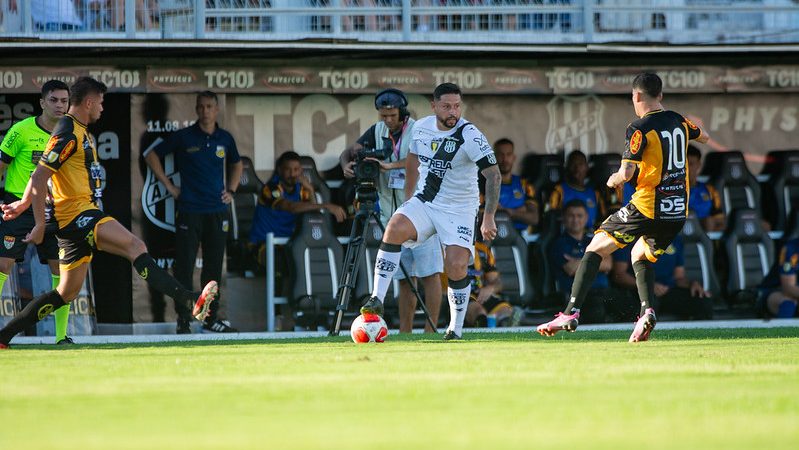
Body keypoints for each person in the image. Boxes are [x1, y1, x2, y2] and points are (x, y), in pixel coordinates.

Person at [0, 77, 217, 349]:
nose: (102, 108)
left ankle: (3, 336)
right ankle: (189, 300)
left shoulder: (78, 130)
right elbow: (42, 174)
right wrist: (40, 223)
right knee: (135, 245)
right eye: (101, 102)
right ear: (89, 102)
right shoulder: (67, 131)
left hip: (73, 224)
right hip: (79, 216)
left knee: (65, 293)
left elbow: (40, 173)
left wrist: (21, 204)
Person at [536, 72, 710, 342]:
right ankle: (646, 312)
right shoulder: (679, 120)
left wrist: (613, 179)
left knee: (595, 247)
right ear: (660, 95)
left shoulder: (638, 128)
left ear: (636, 96)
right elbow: (706, 137)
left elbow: (626, 173)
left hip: (648, 205)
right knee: (640, 255)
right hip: (677, 211)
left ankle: (570, 312)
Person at [359, 82, 500, 341]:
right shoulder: (421, 127)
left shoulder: (470, 134)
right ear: (433, 106)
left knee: (455, 266)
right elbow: (413, 159)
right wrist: (409, 199)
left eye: (457, 106)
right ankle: (376, 298)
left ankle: (454, 330)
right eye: (446, 106)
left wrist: (488, 215)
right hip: (427, 201)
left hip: (459, 208)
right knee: (394, 228)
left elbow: (493, 175)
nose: (453, 112)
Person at [340, 88, 443, 334]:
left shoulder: (419, 129)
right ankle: (405, 332)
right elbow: (349, 151)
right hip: (390, 217)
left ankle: (430, 331)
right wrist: (347, 165)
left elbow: (418, 162)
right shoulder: (376, 131)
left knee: (430, 275)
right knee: (403, 279)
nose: (387, 120)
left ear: (402, 113)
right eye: (383, 115)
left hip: (422, 215)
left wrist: (388, 165)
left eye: (392, 115)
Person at [144, 91, 242, 334]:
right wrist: (169, 186)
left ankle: (210, 319)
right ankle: (183, 319)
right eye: (201, 107)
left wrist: (231, 189)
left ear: (216, 109)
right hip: (189, 210)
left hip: (217, 211)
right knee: (185, 267)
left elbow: (237, 163)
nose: (205, 111)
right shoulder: (184, 136)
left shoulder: (225, 138)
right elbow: (151, 155)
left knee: (213, 267)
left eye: (209, 106)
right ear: (196, 109)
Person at [0, 80, 70, 344]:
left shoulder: (69, 134)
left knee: (61, 270)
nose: (60, 105)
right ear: (42, 102)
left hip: (54, 209)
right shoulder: (21, 131)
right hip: (18, 206)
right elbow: (1, 165)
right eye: (54, 100)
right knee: (2, 264)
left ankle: (62, 336)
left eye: (64, 100)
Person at [250, 150, 345, 244]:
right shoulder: (270, 188)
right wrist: (325, 206)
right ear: (279, 170)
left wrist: (310, 190)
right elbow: (291, 207)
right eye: (288, 169)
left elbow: (312, 211)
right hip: (264, 242)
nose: (292, 174)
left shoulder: (301, 189)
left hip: (289, 241)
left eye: (296, 169)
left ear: (301, 170)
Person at [611, 236, 713, 321]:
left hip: (667, 290)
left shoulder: (675, 238)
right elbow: (620, 275)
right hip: (637, 292)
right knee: (649, 307)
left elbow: (679, 276)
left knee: (703, 302)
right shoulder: (631, 238)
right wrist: (649, 286)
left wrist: (692, 284)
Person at [548, 199, 613, 324]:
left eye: (579, 216)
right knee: (597, 310)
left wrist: (579, 262)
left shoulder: (593, 239)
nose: (575, 220)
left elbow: (608, 264)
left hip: (605, 292)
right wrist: (598, 261)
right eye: (571, 216)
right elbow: (571, 269)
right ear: (564, 218)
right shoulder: (558, 244)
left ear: (586, 217)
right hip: (580, 296)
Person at [463, 238, 522, 328]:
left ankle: (505, 327)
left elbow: (497, 282)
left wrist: (490, 288)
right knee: (479, 312)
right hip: (459, 296)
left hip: (480, 295)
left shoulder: (482, 250)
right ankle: (482, 332)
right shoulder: (446, 249)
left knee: (505, 312)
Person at [492, 138, 539, 233]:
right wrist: (521, 210)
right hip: (495, 237)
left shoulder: (525, 184)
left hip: (521, 235)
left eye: (508, 154)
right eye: (501, 155)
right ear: (493, 157)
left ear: (513, 157)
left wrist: (507, 211)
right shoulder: (485, 184)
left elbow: (534, 218)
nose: (505, 159)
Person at [548, 150, 604, 228]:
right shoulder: (559, 190)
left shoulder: (594, 193)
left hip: (592, 236)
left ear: (587, 167)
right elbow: (551, 217)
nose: (577, 168)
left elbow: (603, 217)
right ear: (567, 167)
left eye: (580, 164)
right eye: (573, 164)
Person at [686, 145, 724, 232]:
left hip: (703, 240)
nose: (687, 169)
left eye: (691, 164)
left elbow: (721, 222)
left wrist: (707, 228)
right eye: (684, 164)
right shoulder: (670, 191)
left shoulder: (710, 191)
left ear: (699, 165)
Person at [759, 238, 799, 318]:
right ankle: (783, 330)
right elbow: (788, 288)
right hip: (775, 290)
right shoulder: (791, 248)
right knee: (788, 303)